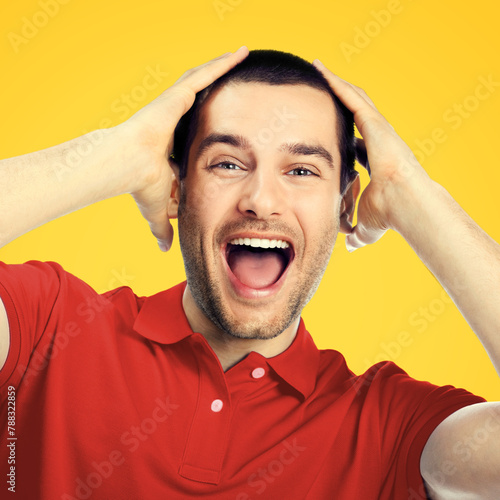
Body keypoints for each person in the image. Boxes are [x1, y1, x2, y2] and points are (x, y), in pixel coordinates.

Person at [0, 47, 499, 499]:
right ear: (177, 190)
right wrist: (118, 152)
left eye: (301, 170)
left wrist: (410, 194)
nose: (260, 200)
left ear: (346, 205)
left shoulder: (390, 426)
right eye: (228, 164)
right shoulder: (47, 325)